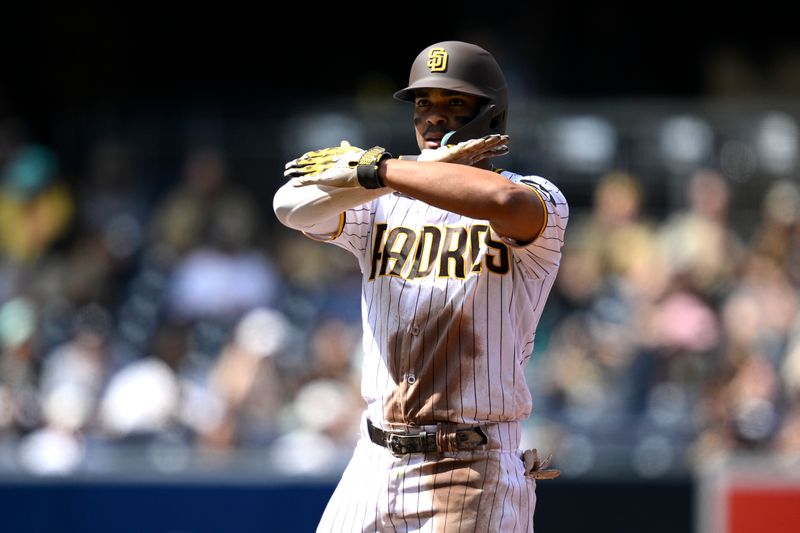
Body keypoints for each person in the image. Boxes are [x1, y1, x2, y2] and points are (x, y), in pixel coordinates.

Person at [274, 41, 568, 532]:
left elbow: (501, 198)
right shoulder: (379, 203)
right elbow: (289, 204)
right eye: (424, 104)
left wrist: (384, 169)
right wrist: (400, 175)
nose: (434, 117)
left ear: (490, 114)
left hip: (471, 466)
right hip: (374, 459)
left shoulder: (541, 196)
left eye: (454, 103)